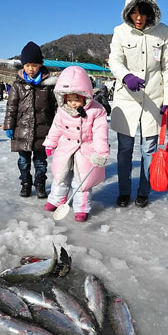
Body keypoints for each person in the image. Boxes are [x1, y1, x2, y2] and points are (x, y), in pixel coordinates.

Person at [108, 0, 168, 208]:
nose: (139, 17)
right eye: (134, 12)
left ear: (151, 12)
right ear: (128, 12)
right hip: (126, 99)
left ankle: (143, 192)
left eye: (143, 12)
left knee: (149, 150)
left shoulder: (163, 31)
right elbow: (115, 61)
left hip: (154, 98)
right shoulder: (120, 31)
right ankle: (124, 191)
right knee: (125, 149)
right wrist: (126, 76)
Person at [43, 66, 109, 222]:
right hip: (66, 147)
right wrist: (50, 143)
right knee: (61, 176)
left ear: (85, 96)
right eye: (69, 99)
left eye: (77, 99)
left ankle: (81, 208)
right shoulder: (62, 110)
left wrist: (101, 153)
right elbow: (56, 127)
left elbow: (100, 133)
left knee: (82, 181)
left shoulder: (97, 110)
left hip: (86, 149)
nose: (73, 104)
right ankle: (56, 200)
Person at [3, 41, 57, 199]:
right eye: (27, 65)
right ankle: (25, 183)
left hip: (43, 130)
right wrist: (9, 126)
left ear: (40, 64)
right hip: (22, 130)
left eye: (34, 65)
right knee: (23, 162)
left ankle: (40, 184)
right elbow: (11, 107)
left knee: (40, 162)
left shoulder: (48, 85)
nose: (30, 69)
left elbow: (55, 108)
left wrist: (56, 129)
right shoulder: (18, 85)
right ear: (23, 66)